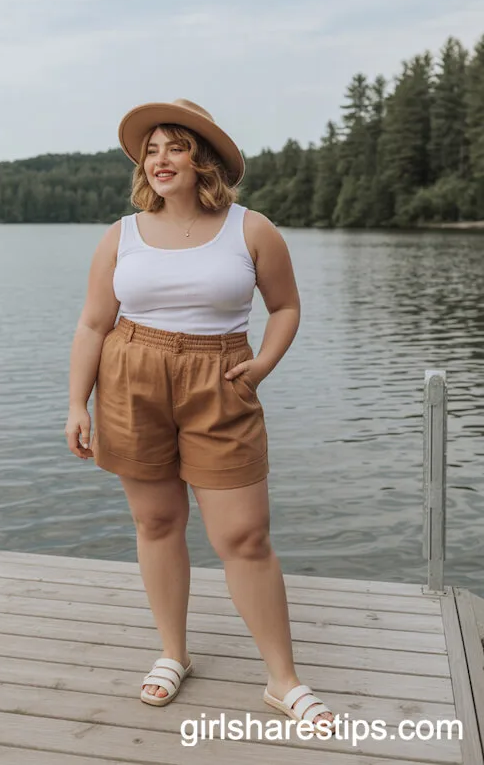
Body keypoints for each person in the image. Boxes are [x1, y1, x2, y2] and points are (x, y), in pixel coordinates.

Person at [65, 98, 334, 731]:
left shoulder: (252, 228)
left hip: (222, 378)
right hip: (131, 374)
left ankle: (283, 680)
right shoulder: (121, 235)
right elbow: (93, 323)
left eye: (174, 147)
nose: (160, 160)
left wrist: (263, 365)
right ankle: (173, 654)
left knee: (244, 536)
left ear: (202, 159)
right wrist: (77, 402)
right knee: (157, 521)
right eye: (151, 149)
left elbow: (287, 307)